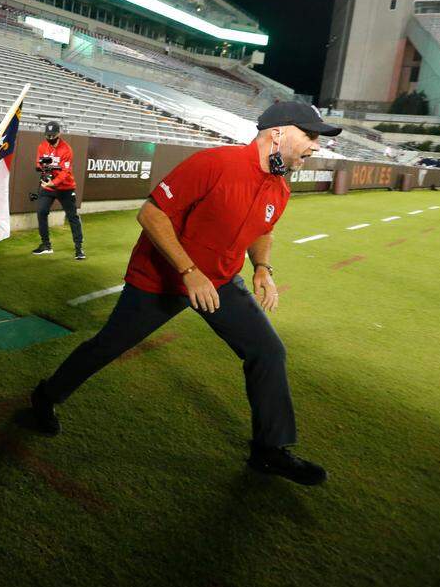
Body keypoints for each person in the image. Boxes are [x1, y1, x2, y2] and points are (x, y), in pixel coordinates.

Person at [29, 101, 342, 486]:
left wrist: (262, 267)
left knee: (268, 351)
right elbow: (151, 214)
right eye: (310, 136)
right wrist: (189, 271)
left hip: (221, 282)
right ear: (278, 133)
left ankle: (269, 451)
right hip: (161, 279)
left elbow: (263, 230)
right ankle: (45, 397)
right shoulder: (215, 163)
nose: (316, 146)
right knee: (108, 345)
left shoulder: (279, 186)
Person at [32, 121, 84, 260]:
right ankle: (46, 245)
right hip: (47, 186)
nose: (49, 138)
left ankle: (79, 248)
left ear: (59, 134)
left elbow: (65, 172)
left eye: (52, 135)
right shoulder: (42, 146)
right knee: (41, 212)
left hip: (65, 187)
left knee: (72, 216)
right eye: (47, 135)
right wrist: (43, 168)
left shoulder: (66, 149)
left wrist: (52, 183)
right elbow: (38, 162)